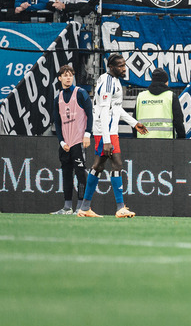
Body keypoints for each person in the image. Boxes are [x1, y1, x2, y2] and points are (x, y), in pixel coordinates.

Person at [77, 54, 149, 218]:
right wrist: (107, 140)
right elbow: (103, 111)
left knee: (98, 166)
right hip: (106, 131)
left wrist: (133, 123)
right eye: (120, 66)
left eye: (124, 65)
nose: (124, 68)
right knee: (116, 164)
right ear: (111, 67)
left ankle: (85, 207)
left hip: (108, 130)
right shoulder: (108, 83)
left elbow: (115, 108)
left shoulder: (114, 81)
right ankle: (120, 207)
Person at [51, 65, 93, 215]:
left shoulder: (80, 93)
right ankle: (67, 207)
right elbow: (57, 122)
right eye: (65, 75)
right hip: (66, 144)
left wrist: (87, 134)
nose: (68, 78)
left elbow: (90, 114)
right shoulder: (58, 98)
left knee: (81, 174)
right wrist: (62, 142)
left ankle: (81, 207)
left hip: (78, 141)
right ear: (60, 78)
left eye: (70, 75)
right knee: (66, 174)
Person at [135, 68, 186, 139]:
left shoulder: (141, 97)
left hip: (142, 141)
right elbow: (178, 121)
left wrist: (135, 139)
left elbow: (133, 121)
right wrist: (182, 138)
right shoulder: (171, 96)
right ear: (166, 82)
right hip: (166, 141)